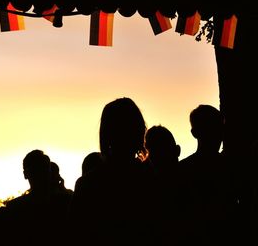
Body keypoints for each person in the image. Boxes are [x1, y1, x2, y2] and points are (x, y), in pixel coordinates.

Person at [69, 97, 157, 245]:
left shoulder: (88, 184)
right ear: (140, 131)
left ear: (106, 134)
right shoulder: (153, 179)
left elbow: (76, 234)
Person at [178, 104, 238, 246]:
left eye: (219, 128)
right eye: (213, 128)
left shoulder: (183, 170)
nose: (219, 134)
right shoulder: (230, 167)